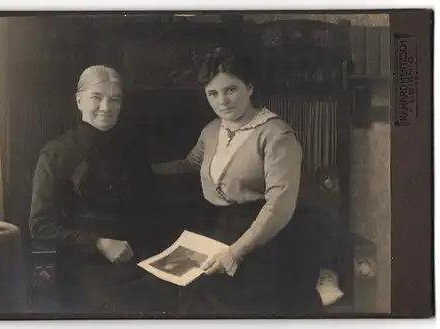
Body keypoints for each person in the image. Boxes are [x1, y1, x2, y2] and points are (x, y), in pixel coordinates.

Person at [105, 48, 324, 317]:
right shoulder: (211, 131)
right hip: (217, 230)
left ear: (250, 87)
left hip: (263, 239)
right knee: (152, 291)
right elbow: (188, 165)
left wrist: (236, 253)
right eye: (213, 94)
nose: (223, 101)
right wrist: (135, 169)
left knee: (213, 300)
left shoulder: (277, 135)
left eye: (231, 90)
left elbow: (280, 206)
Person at [28, 65, 175, 313]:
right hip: (85, 264)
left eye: (114, 100)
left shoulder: (133, 147)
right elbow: (39, 225)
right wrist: (98, 243)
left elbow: (154, 209)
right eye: (97, 98)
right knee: (125, 306)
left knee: (181, 297)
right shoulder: (56, 154)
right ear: (79, 100)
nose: (106, 108)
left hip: (139, 254)